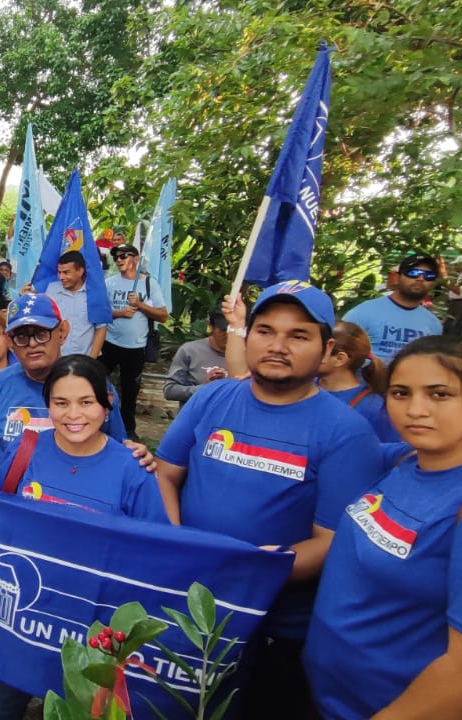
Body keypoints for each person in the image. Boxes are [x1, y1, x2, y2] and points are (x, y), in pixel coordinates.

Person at [154, 280, 385, 718]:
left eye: (298, 335)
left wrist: (244, 574)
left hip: (274, 627)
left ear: (325, 347)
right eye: (264, 331)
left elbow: (332, 541)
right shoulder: (211, 398)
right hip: (187, 600)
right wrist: (177, 545)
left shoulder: (348, 434)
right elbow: (166, 474)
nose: (277, 345)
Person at [304, 335, 462, 719]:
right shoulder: (404, 463)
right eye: (401, 393)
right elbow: (311, 446)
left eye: (439, 395)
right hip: (337, 703)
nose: (416, 409)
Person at [0, 355, 169, 720]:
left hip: (94, 629)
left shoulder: (132, 471)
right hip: (24, 619)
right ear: (47, 404)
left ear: (107, 404)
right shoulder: (25, 451)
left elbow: (158, 555)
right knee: (3, 709)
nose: (73, 415)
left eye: (86, 402)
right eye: (61, 403)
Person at [0, 293, 131, 475]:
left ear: (62, 332)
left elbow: (117, 449)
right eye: (21, 337)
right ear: (10, 342)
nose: (32, 344)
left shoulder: (94, 385)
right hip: (14, 500)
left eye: (42, 333)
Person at [99, 243, 168, 438]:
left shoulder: (149, 284)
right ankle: (100, 423)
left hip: (135, 347)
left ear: (135, 259)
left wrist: (140, 305)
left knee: (130, 392)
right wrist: (120, 313)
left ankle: (128, 431)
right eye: (116, 257)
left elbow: (163, 316)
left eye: (124, 256)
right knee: (96, 381)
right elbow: (99, 313)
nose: (119, 260)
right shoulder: (109, 283)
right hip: (110, 344)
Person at [343, 253, 443, 365]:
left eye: (428, 275)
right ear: (398, 277)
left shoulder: (433, 324)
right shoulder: (363, 313)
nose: (420, 279)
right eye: (413, 273)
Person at [318, 321, 400, 443]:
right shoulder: (301, 388)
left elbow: (392, 452)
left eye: (318, 349)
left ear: (340, 359)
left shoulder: (374, 408)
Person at [43, 250, 108, 358]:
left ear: (80, 271)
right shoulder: (51, 290)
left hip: (84, 359)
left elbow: (101, 328)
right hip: (57, 359)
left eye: (66, 272)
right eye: (59, 272)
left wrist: (92, 359)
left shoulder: (95, 293)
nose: (61, 277)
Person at [162, 311, 229, 406]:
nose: (228, 335)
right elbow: (169, 390)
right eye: (223, 330)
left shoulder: (247, 354)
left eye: (233, 330)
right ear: (211, 327)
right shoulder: (189, 350)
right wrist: (204, 389)